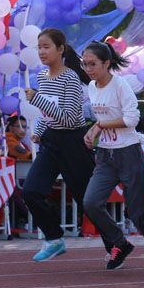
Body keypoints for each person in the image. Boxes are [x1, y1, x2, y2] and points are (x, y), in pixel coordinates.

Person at [78, 41, 144, 274]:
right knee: (90, 202)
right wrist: (92, 130)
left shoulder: (121, 85)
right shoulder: (91, 87)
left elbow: (131, 119)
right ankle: (120, 242)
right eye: (85, 64)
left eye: (93, 64)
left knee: (138, 214)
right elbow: (100, 118)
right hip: (105, 156)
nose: (88, 69)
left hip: (129, 153)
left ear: (106, 63)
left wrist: (99, 126)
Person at [21, 28, 110, 262]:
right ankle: (54, 238)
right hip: (51, 140)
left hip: (73, 141)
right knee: (30, 191)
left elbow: (71, 118)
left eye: (46, 46)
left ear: (61, 49)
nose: (41, 52)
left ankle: (116, 243)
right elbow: (47, 114)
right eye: (39, 47)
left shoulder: (70, 78)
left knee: (88, 201)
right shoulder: (41, 77)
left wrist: (37, 99)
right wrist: (39, 132)